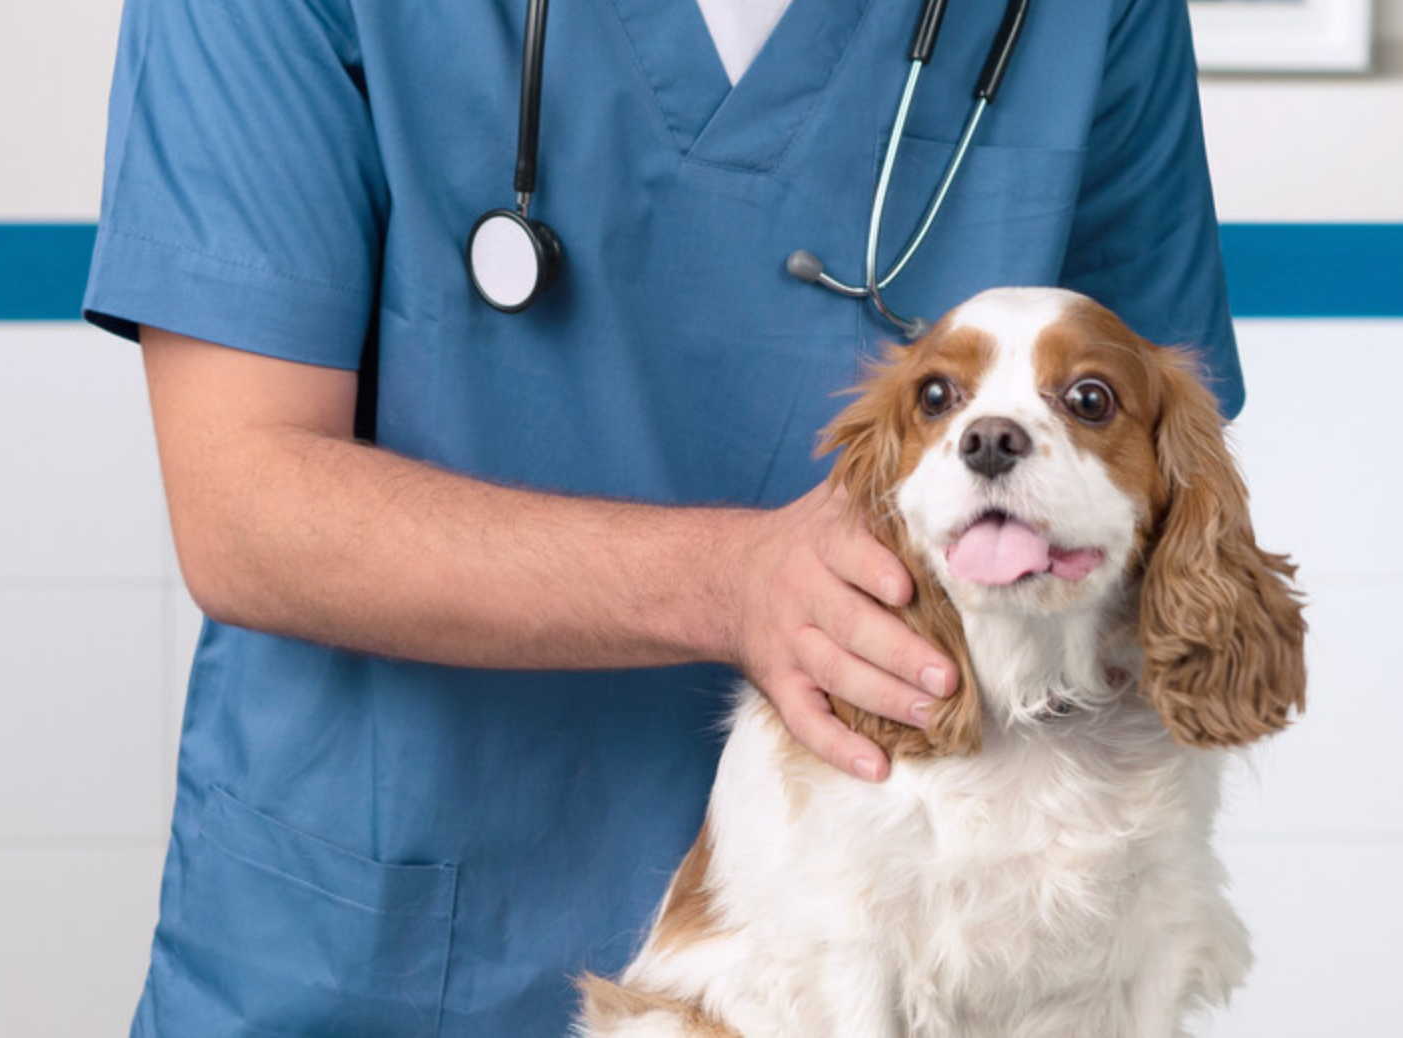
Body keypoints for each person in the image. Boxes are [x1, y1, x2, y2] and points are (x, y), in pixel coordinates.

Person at [82, 0, 1243, 1032]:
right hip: (388, 941)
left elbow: (1136, 503)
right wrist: (732, 583)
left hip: (919, 959)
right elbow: (244, 505)